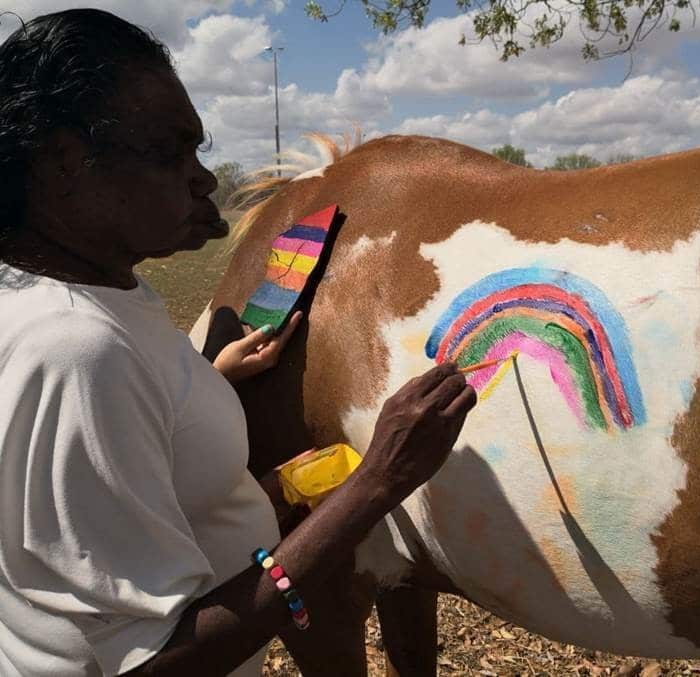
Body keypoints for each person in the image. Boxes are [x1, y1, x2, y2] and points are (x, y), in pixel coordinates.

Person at [0, 8, 476, 676]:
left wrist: (205, 381)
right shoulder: (77, 347)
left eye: (199, 151)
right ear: (63, 165)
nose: (202, 179)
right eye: (169, 152)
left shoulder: (79, 298)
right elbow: (150, 666)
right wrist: (377, 482)